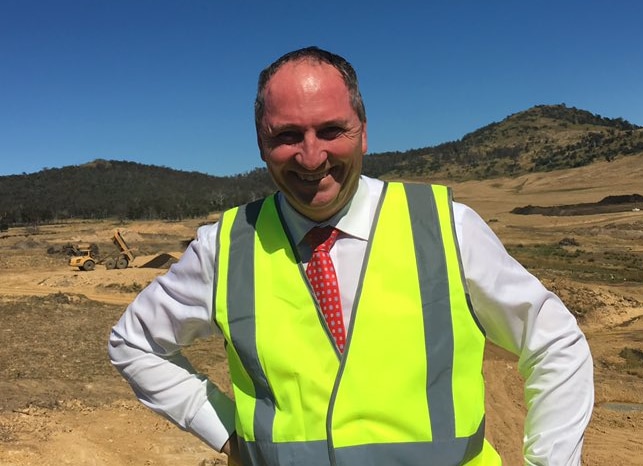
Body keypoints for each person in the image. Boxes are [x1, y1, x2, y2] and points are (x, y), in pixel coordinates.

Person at [109, 46, 594, 465]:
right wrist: (225, 432)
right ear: (261, 143)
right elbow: (133, 343)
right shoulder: (225, 247)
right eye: (288, 135)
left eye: (331, 130)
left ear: (363, 131)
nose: (312, 155)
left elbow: (554, 344)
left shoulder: (447, 227)